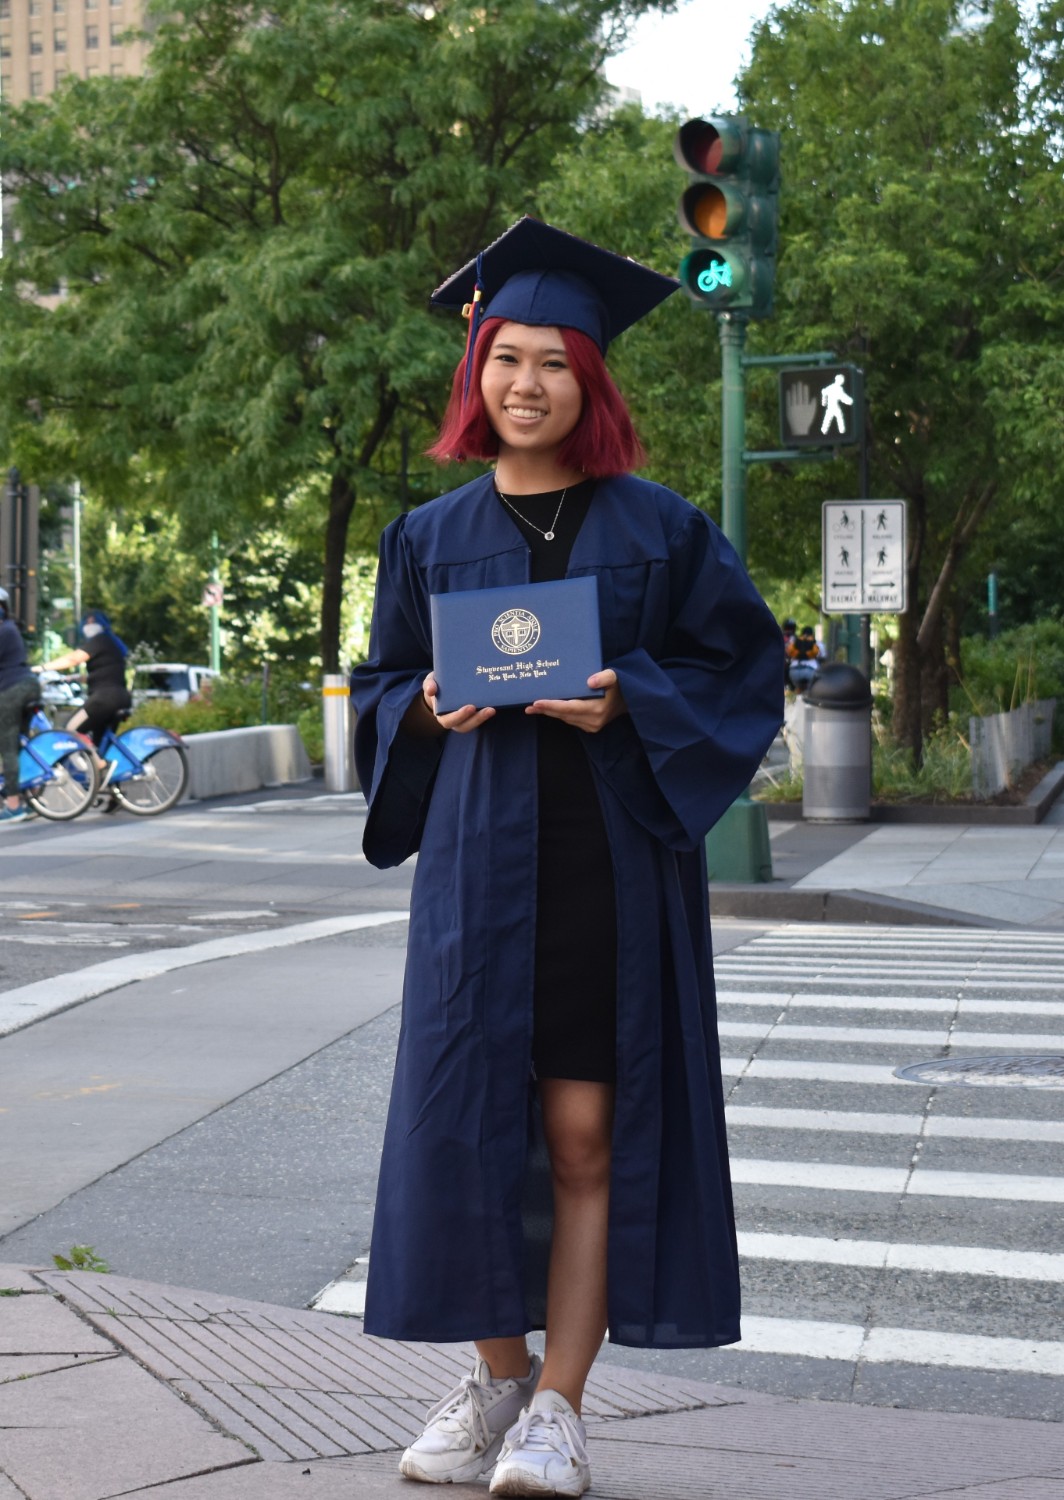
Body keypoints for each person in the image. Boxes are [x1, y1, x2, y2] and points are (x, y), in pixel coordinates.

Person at [350, 218, 783, 1497]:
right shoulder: (428, 537)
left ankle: (558, 1407)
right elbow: (380, 687)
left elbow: (740, 669)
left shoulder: (659, 530)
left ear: (589, 379)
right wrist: (423, 707)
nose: (525, 383)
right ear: (473, 373)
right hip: (476, 878)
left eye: (552, 362)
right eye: (504, 358)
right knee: (469, 1129)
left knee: (587, 1132)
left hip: (606, 870)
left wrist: (630, 699)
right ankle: (496, 1380)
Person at [36, 610, 132, 774]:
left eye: (93, 621)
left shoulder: (100, 640)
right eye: (87, 621)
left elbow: (73, 659)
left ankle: (96, 767)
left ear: (103, 623)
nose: (89, 625)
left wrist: (42, 668)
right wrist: (75, 678)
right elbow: (105, 673)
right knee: (100, 744)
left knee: (70, 730)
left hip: (104, 699)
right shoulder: (112, 643)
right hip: (121, 697)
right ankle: (108, 782)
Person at [0, 587, 39, 827]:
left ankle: (13, 805)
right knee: (21, 743)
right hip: (28, 685)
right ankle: (30, 797)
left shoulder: (3, 631)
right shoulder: (10, 628)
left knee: (8, 746)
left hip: (12, 689)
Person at [786, 624, 823, 694]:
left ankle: (796, 695)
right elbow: (823, 655)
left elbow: (788, 652)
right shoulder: (816, 643)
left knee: (797, 689)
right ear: (812, 634)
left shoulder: (795, 641)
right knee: (811, 690)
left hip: (794, 671)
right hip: (810, 671)